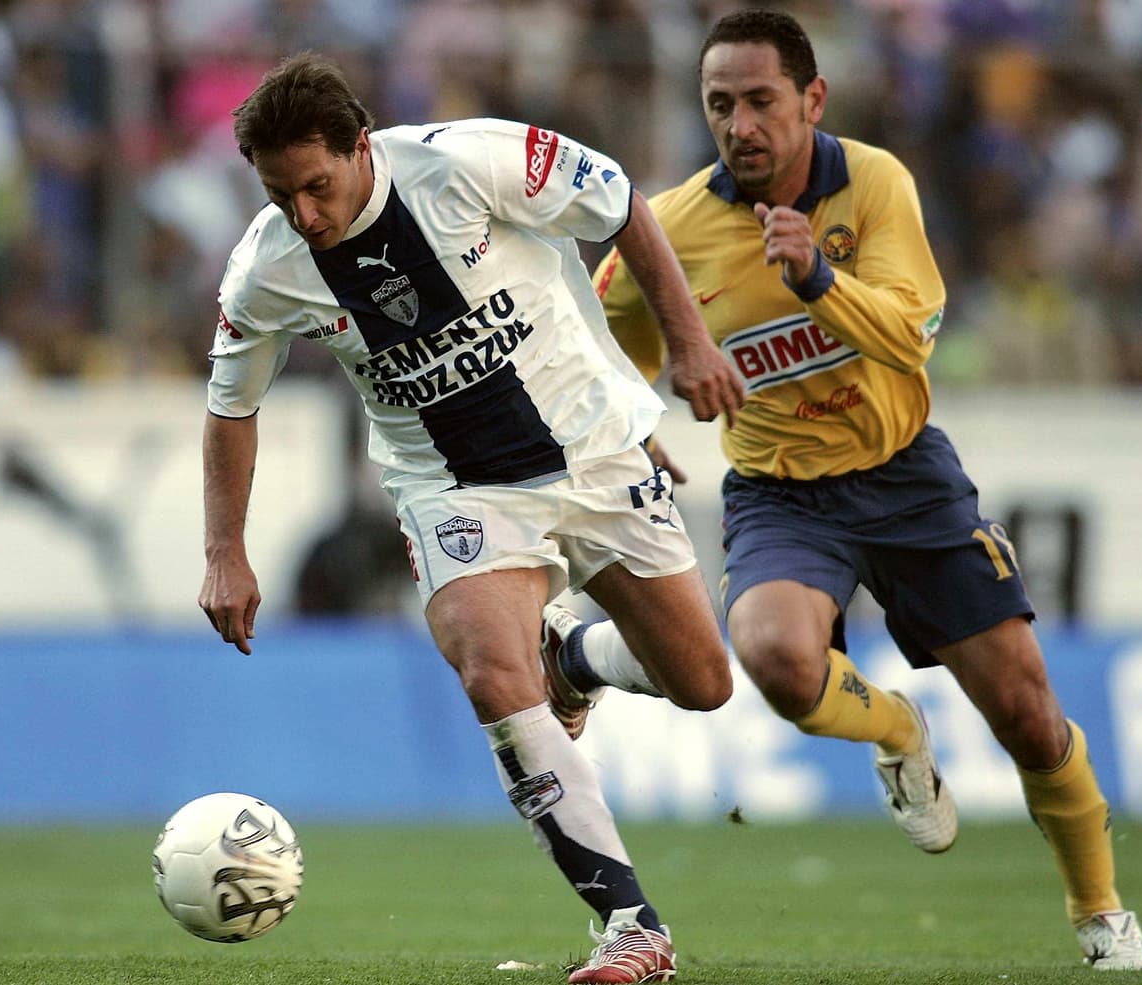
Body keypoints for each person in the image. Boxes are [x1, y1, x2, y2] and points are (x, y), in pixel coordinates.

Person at [569, 8, 1142, 971]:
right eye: (720, 105)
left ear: (811, 100)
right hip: (780, 491)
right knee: (775, 660)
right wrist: (637, 419)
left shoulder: (876, 183)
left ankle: (1102, 914)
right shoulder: (668, 229)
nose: (740, 125)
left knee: (1027, 713)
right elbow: (593, 354)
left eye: (761, 101)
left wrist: (814, 277)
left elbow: (912, 333)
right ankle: (900, 730)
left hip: (907, 476)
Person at [196, 52, 746, 985]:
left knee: (702, 682)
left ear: (360, 147)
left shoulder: (472, 162)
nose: (307, 214)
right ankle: (631, 928)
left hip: (594, 449)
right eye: (284, 195)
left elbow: (621, 206)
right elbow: (230, 405)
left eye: (319, 186)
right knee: (491, 669)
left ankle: (571, 657)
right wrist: (224, 552)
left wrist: (688, 345)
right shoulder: (267, 267)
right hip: (453, 491)